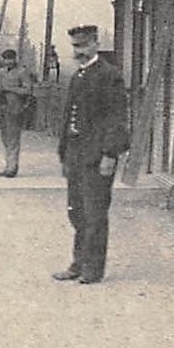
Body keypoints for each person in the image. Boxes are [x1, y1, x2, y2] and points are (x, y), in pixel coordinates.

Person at [53, 25, 129, 285]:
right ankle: (78, 263)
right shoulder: (78, 76)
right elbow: (67, 118)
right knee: (76, 212)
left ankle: (93, 269)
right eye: (75, 46)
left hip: (97, 156)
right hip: (75, 155)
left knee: (95, 213)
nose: (79, 52)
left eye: (84, 46)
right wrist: (64, 154)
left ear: (96, 43)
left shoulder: (110, 76)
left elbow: (117, 119)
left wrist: (110, 154)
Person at [0, 48, 35, 177]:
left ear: (15, 59)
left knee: (13, 138)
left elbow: (28, 90)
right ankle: (8, 165)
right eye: (6, 59)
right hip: (2, 107)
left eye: (10, 59)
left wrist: (9, 89)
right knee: (5, 137)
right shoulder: (1, 72)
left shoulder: (22, 72)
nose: (8, 62)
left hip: (15, 108)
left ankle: (12, 168)